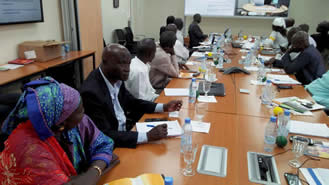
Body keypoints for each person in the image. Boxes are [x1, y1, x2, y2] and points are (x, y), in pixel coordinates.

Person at [0, 77, 114, 185]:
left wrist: (93, 172)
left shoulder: (75, 123)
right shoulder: (29, 148)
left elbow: (104, 144)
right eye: (80, 110)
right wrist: (92, 172)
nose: (84, 114)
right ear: (63, 122)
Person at [80, 44, 182, 148]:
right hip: (110, 146)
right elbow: (105, 135)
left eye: (128, 64)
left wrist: (163, 107)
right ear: (105, 61)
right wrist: (146, 136)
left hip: (124, 133)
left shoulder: (116, 78)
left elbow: (132, 102)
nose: (127, 69)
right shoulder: (91, 92)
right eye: (122, 64)